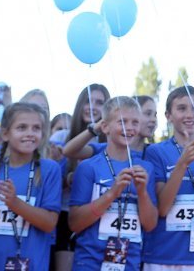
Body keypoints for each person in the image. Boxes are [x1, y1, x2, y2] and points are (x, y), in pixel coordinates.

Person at [0, 102, 62, 271]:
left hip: (29, 264)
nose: (30, 134)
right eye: (22, 127)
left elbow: (49, 224)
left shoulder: (49, 169)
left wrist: (15, 203)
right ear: (5, 134)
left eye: (36, 128)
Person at [142, 85, 194, 270]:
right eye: (181, 108)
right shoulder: (156, 152)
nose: (190, 114)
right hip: (161, 255)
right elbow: (162, 208)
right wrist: (182, 164)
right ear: (168, 115)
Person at [68, 96, 157, 271]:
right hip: (90, 262)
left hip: (129, 262)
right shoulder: (88, 167)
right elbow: (75, 223)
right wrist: (111, 194)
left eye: (135, 122)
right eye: (122, 122)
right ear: (105, 127)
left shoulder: (146, 168)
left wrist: (142, 193)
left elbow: (150, 224)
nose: (129, 128)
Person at [55, 84, 110, 271]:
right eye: (88, 101)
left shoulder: (110, 142)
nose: (93, 107)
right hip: (66, 213)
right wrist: (70, 179)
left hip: (99, 216)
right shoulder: (62, 136)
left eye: (100, 102)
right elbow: (46, 179)